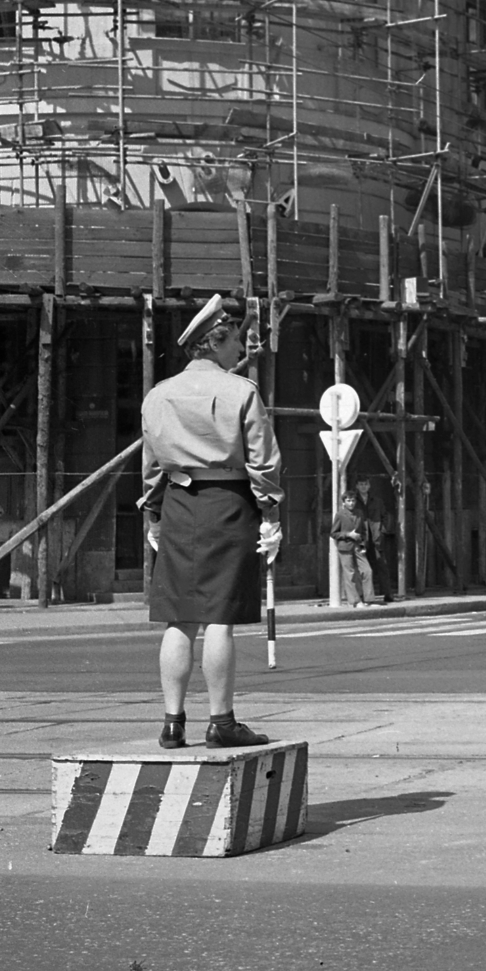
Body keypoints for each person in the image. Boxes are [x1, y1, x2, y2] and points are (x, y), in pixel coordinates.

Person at [140, 294, 284, 750]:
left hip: (179, 502)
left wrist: (154, 513)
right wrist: (271, 515)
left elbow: (150, 466)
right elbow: (263, 463)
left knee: (179, 618)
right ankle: (221, 722)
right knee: (220, 616)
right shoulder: (242, 391)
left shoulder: (158, 394)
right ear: (215, 342)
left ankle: (172, 723)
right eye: (235, 339)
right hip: (229, 501)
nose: (239, 347)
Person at [354, 477, 397, 602]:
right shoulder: (354, 501)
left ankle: (388, 594)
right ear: (357, 486)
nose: (363, 487)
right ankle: (362, 595)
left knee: (382, 565)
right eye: (361, 484)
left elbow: (385, 516)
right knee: (362, 567)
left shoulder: (377, 501)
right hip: (361, 538)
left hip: (376, 537)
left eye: (365, 484)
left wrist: (382, 531)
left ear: (369, 486)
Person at [331, 488, 372, 608]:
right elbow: (334, 533)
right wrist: (348, 534)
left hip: (358, 546)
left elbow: (364, 530)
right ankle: (354, 601)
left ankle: (368, 599)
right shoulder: (340, 515)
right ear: (344, 502)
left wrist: (363, 542)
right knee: (350, 574)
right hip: (345, 547)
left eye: (353, 500)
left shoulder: (359, 513)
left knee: (367, 571)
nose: (351, 503)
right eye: (348, 501)